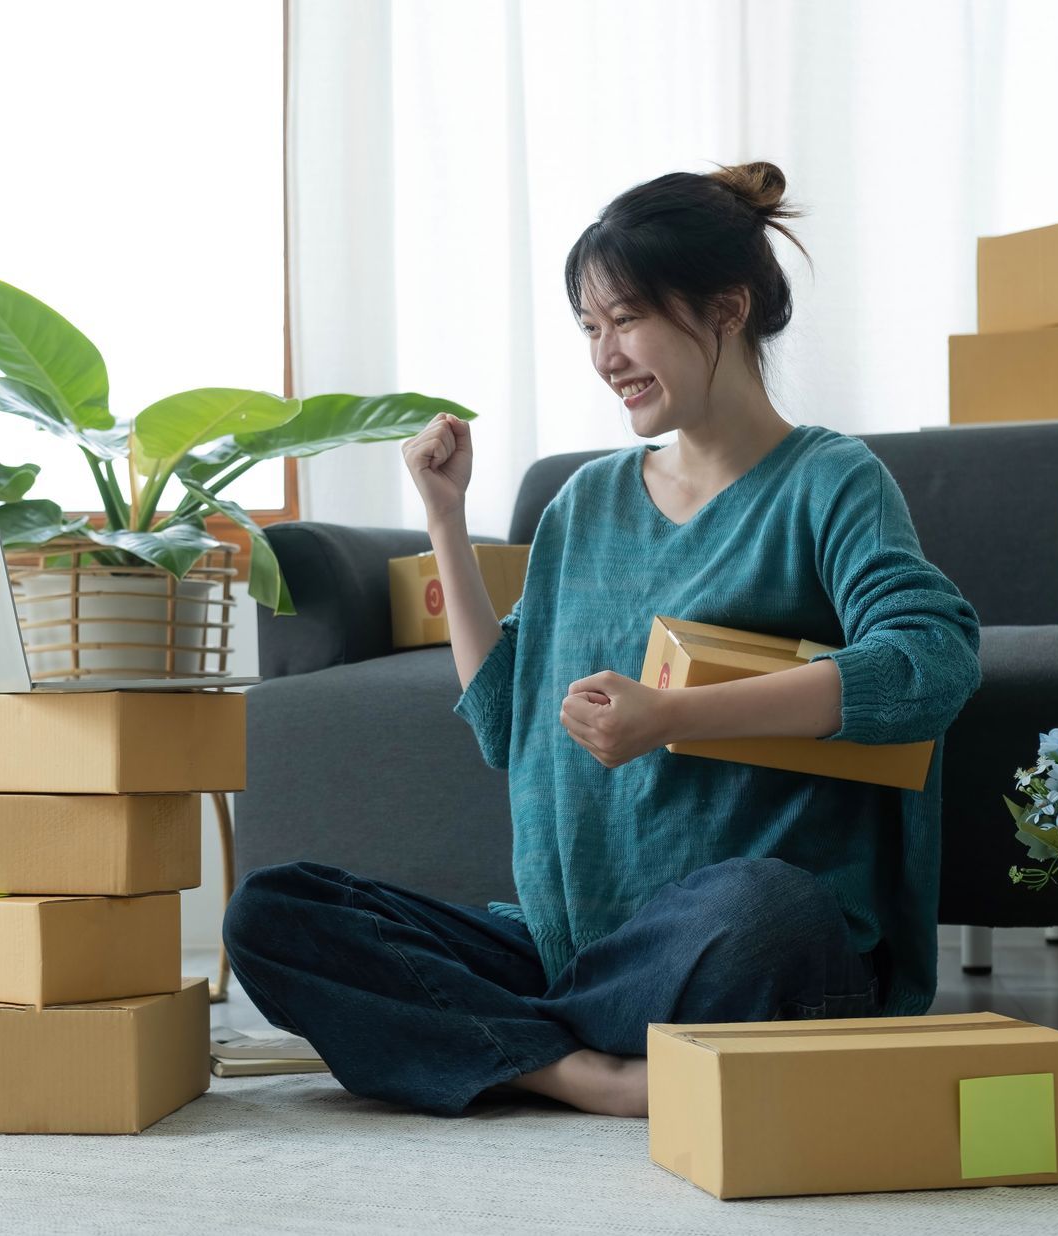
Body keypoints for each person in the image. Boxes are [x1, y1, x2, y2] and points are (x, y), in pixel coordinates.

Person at [223, 162, 982, 1119]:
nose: (604, 354)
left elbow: (930, 661)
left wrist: (673, 716)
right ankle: (593, 1070)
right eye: (590, 327)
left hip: (719, 944)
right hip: (571, 942)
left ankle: (494, 1037)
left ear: (724, 310)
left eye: (625, 319)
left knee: (769, 913)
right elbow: (504, 718)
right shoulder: (586, 502)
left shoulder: (830, 483)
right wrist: (447, 521)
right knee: (275, 914)